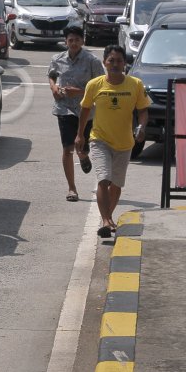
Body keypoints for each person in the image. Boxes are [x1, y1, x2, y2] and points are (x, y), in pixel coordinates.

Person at [75, 44, 150, 238]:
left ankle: (107, 219)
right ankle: (107, 220)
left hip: (125, 143)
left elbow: (143, 110)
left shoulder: (135, 84)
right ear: (104, 63)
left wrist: (141, 128)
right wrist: (80, 134)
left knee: (116, 184)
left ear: (125, 63)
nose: (115, 64)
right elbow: (84, 110)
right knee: (104, 179)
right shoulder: (95, 85)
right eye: (111, 61)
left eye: (119, 61)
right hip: (100, 139)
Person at [48, 26, 103, 202]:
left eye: (77, 40)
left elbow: (101, 85)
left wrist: (78, 92)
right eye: (70, 40)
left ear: (82, 41)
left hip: (85, 110)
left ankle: (84, 156)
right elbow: (51, 75)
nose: (73, 43)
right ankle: (72, 188)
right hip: (64, 108)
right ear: (66, 41)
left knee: (81, 145)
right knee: (67, 148)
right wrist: (54, 88)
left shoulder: (92, 61)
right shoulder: (57, 59)